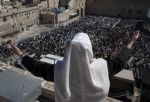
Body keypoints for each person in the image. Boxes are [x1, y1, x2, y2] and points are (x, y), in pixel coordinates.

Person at [11, 31, 140, 102]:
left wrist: (21, 55)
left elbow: (36, 68)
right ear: (89, 50)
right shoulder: (103, 68)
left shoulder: (60, 70)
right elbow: (121, 60)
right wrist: (131, 42)